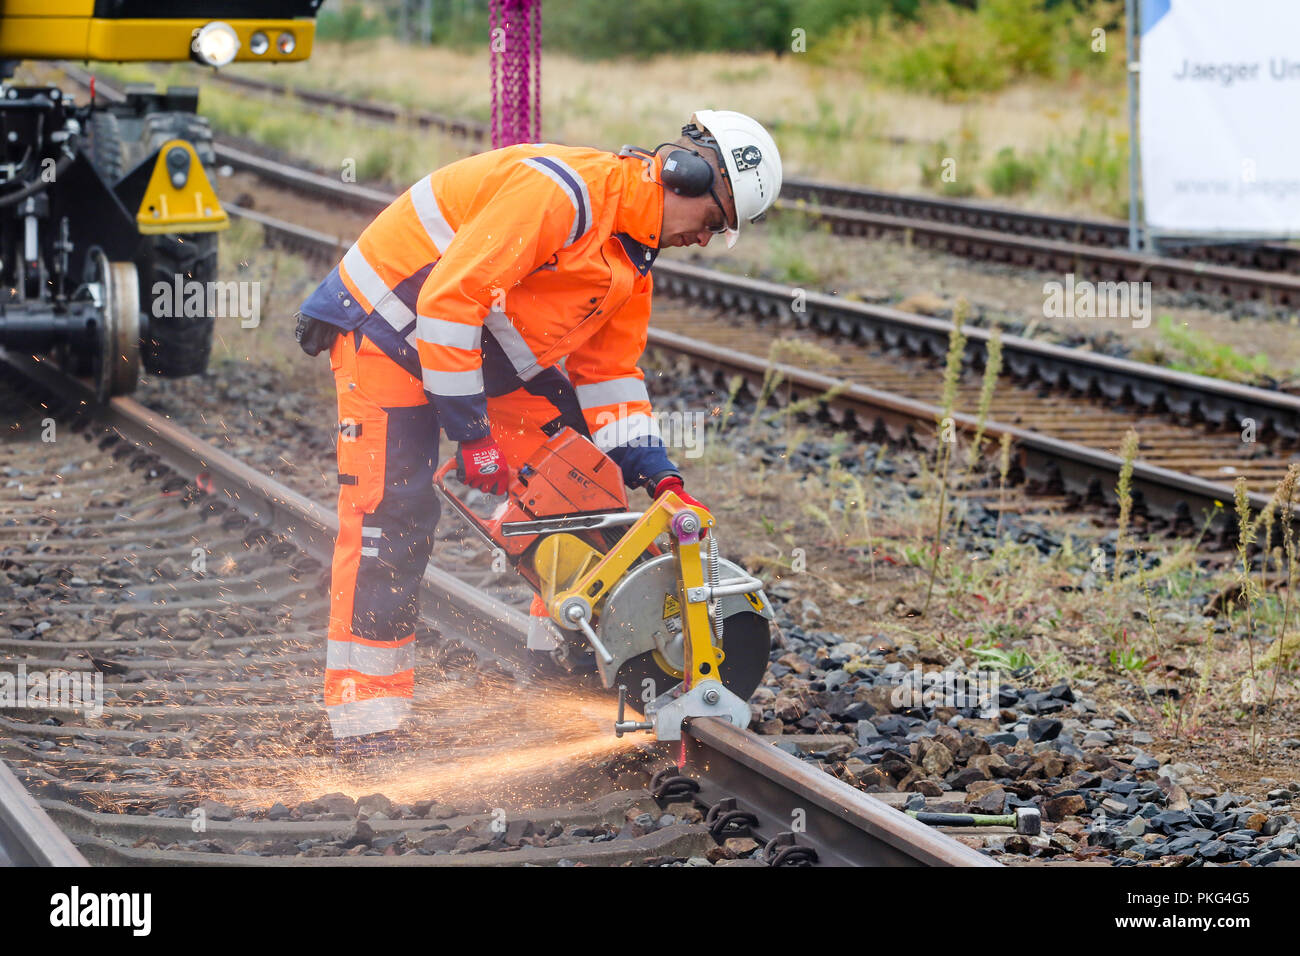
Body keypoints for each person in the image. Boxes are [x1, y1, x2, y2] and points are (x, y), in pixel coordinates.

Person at [295, 110, 783, 761]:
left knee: (585, 488)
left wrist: (659, 475)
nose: (707, 238)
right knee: (393, 514)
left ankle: (563, 674)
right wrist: (473, 436)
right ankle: (367, 721)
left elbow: (609, 376)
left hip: (475, 350)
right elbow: (446, 303)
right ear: (684, 174)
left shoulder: (632, 262)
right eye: (715, 220)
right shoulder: (560, 195)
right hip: (388, 328)